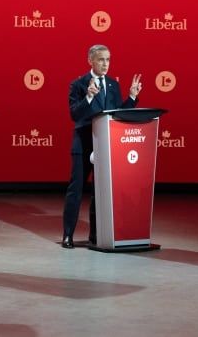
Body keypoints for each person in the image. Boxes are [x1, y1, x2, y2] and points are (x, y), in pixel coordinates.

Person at [61, 44, 143, 249]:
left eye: (108, 59)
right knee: (76, 190)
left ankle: (96, 235)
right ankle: (68, 235)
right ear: (91, 60)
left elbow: (116, 114)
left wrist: (131, 98)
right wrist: (88, 97)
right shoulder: (78, 84)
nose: (105, 64)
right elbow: (74, 115)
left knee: (101, 192)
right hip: (84, 144)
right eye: (100, 59)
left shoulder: (114, 85)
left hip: (105, 145)